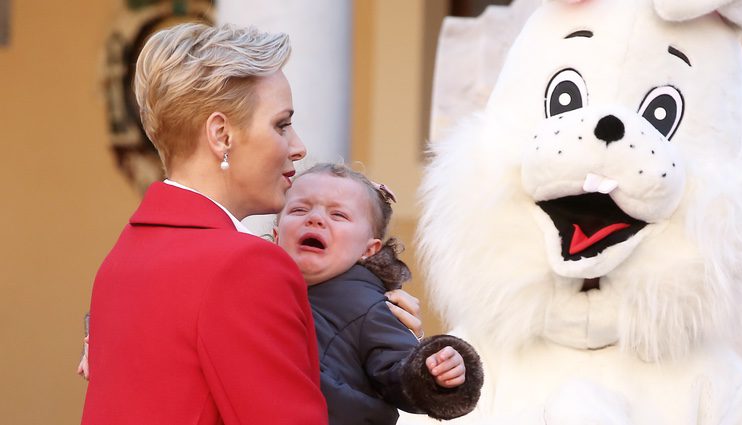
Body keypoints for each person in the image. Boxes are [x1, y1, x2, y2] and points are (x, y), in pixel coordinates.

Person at [81, 23, 328, 424]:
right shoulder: (246, 265)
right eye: (281, 125)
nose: (298, 147)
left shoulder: (122, 258)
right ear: (221, 134)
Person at [275, 163, 483, 425]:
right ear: (276, 234)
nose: (315, 218)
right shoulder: (260, 292)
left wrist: (433, 372)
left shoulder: (368, 305)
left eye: (338, 215)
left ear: (369, 249)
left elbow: (398, 370)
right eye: (299, 209)